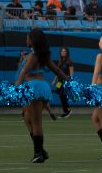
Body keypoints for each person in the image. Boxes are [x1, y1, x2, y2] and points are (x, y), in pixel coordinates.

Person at [13, 29, 67, 163]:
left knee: (36, 121)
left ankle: (38, 154)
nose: (26, 39)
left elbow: (24, 71)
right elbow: (57, 70)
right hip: (38, 86)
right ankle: (41, 150)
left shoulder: (33, 56)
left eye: (27, 37)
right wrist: (67, 78)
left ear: (32, 40)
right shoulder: (40, 55)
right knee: (27, 118)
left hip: (34, 86)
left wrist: (16, 88)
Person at [54, 47, 75, 117]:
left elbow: (71, 72)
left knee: (63, 94)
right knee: (59, 93)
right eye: (62, 51)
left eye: (64, 51)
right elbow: (58, 72)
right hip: (59, 81)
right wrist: (54, 80)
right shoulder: (60, 61)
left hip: (65, 81)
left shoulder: (69, 61)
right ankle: (66, 110)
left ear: (67, 53)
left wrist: (70, 81)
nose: (63, 52)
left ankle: (67, 111)